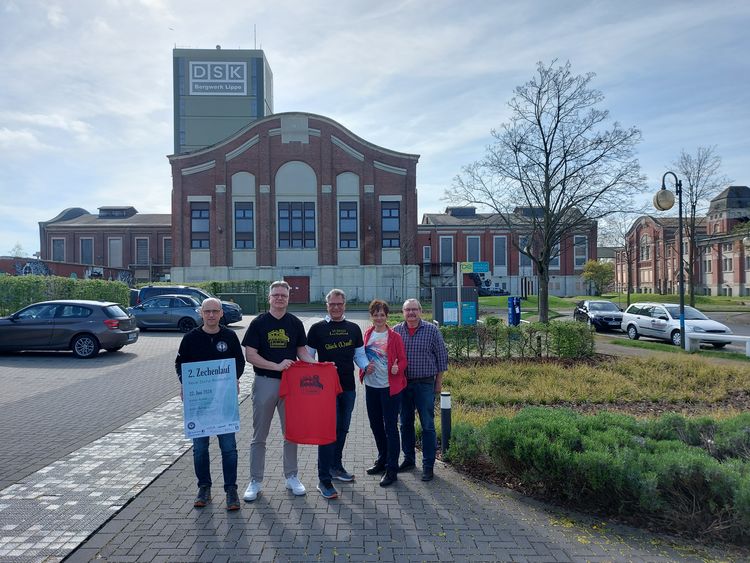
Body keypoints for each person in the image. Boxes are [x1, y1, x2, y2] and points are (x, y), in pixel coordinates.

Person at [241, 281, 316, 502]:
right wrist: (276, 366)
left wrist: (319, 367)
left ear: (288, 298)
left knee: (291, 433)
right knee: (259, 435)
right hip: (265, 381)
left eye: (283, 295)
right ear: (270, 297)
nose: (280, 298)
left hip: (291, 385)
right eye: (276, 295)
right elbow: (250, 355)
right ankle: (255, 480)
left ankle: (291, 476)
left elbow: (302, 352)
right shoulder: (258, 323)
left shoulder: (294, 323)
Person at [175, 297, 245, 510]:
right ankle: (204, 488)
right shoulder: (190, 338)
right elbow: (180, 364)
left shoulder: (230, 336)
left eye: (215, 311)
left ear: (222, 313)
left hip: (224, 401)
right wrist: (184, 384)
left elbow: (239, 362)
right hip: (199, 404)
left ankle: (231, 489)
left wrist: (234, 379)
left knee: (229, 448)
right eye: (208, 311)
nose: (212, 315)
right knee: (200, 449)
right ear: (201, 313)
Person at [306, 289, 369, 499]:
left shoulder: (353, 329)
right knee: (327, 432)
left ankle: (335, 467)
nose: (335, 307)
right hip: (324, 391)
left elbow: (359, 355)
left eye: (339, 304)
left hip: (348, 387)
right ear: (327, 305)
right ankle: (323, 479)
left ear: (345, 305)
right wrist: (319, 366)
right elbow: (307, 358)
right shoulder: (317, 329)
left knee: (342, 429)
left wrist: (367, 366)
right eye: (332, 304)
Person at [393, 298, 448, 482]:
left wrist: (438, 383)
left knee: (427, 425)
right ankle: (409, 460)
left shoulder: (432, 330)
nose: (411, 313)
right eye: (408, 310)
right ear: (403, 312)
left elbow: (441, 357)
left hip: (425, 384)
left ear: (421, 311)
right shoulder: (396, 331)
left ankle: (428, 465)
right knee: (405, 424)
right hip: (403, 385)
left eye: (414, 309)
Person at [360, 299, 407, 487]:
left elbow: (403, 360)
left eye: (382, 314)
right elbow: (362, 356)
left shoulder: (394, 337)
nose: (379, 318)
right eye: (375, 314)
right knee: (375, 426)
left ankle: (392, 469)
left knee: (390, 428)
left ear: (387, 316)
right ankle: (382, 459)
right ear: (371, 316)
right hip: (371, 387)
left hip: (390, 388)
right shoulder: (367, 334)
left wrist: (398, 367)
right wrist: (364, 368)